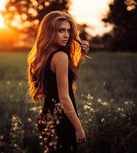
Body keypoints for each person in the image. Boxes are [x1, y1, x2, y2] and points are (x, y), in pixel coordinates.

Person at [28, 11, 90, 153]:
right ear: (49, 31)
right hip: (61, 119)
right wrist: (79, 128)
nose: (66, 35)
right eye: (60, 30)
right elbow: (63, 97)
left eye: (68, 31)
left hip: (48, 116)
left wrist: (80, 55)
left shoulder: (44, 55)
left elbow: (67, 76)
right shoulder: (60, 56)